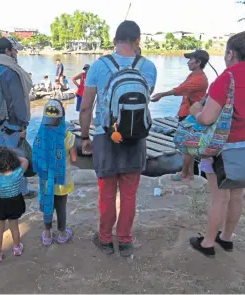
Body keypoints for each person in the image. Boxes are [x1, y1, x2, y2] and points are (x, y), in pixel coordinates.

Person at [188, 31, 245, 257]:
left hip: (222, 150)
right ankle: (227, 238)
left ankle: (208, 243)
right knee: (236, 196)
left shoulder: (226, 79)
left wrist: (196, 112)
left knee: (219, 199)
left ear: (230, 53)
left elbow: (208, 119)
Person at [79, 21, 157, 257]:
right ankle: (124, 240)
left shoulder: (99, 66)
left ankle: (104, 239)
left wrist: (84, 137)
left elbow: (85, 108)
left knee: (107, 193)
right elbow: (142, 102)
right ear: (138, 40)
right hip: (136, 137)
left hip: (106, 136)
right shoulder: (149, 66)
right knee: (130, 193)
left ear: (114, 40)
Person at [0, 36, 36, 199]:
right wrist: (22, 125)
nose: (16, 52)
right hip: (11, 124)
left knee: (0, 156)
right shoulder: (11, 71)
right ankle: (22, 191)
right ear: (7, 51)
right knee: (17, 158)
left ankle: (1, 188)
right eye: (14, 50)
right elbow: (19, 100)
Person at [152, 50, 210, 181]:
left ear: (198, 62)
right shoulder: (193, 75)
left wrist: (161, 94)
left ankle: (185, 173)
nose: (188, 62)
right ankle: (189, 173)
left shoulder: (199, 79)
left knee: (187, 145)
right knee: (187, 145)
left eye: (191, 59)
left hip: (191, 117)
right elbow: (181, 88)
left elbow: (179, 90)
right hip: (186, 113)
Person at [32, 99, 78, 246]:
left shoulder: (41, 133)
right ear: (62, 117)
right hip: (62, 180)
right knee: (61, 207)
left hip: (46, 180)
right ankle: (62, 234)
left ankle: (47, 233)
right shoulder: (68, 135)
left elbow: (36, 154)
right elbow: (74, 158)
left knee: (48, 205)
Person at [0, 146, 28, 263]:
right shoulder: (17, 174)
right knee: (14, 227)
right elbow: (25, 161)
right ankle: (16, 248)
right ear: (12, 161)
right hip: (14, 203)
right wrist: (14, 157)